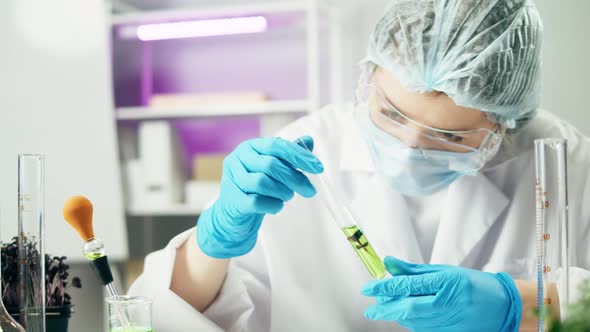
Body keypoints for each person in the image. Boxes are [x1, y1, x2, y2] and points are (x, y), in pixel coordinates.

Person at [130, 0, 590, 331]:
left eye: (449, 137)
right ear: (368, 76)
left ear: (505, 123)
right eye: (391, 113)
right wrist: (214, 243)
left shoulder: (564, 161)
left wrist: (526, 306)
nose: (409, 147)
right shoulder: (303, 151)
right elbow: (154, 318)